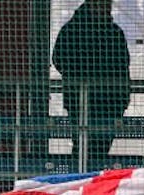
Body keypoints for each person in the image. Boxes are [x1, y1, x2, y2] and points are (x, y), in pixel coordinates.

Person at [52, 0, 131, 165]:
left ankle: (86, 180)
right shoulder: (77, 30)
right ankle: (84, 181)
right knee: (85, 143)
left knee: (93, 145)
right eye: (103, 5)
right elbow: (59, 58)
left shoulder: (74, 29)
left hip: (101, 100)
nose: (107, 9)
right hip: (92, 100)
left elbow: (123, 65)